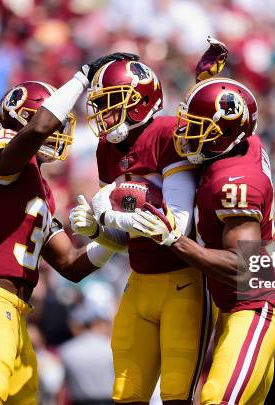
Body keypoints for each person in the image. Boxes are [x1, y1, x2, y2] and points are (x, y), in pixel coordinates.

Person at [0, 52, 135, 405]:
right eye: (55, 121)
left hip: (15, 313)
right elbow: (39, 128)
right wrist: (81, 77)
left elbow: (71, 265)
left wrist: (110, 239)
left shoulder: (41, 190)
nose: (60, 130)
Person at [68, 37, 228, 405]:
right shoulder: (107, 149)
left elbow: (179, 224)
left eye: (111, 105)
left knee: (176, 396)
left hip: (183, 284)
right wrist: (98, 231)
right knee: (125, 395)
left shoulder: (167, 134)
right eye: (100, 106)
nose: (104, 116)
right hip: (139, 282)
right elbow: (122, 236)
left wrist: (112, 215)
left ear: (139, 102)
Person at [130, 77, 275, 405]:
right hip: (231, 308)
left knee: (216, 398)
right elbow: (229, 112)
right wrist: (206, 79)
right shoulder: (243, 143)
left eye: (197, 127)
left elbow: (244, 266)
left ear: (226, 135)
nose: (185, 133)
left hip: (257, 306)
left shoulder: (235, 183)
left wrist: (178, 241)